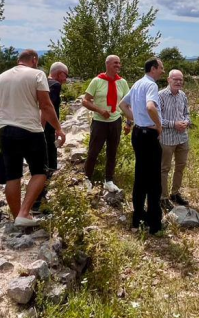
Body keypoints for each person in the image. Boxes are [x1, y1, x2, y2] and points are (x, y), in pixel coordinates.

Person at [0, 50, 66, 227]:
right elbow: (46, 105)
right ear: (34, 60)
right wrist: (58, 129)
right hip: (30, 129)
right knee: (40, 172)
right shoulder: (37, 75)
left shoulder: (0, 78)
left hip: (5, 129)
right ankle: (24, 213)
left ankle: (17, 217)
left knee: (13, 175)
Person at [120, 57, 165, 234]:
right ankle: (154, 224)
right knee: (154, 180)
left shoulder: (138, 84)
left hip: (138, 133)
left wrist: (135, 118)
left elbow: (122, 105)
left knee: (140, 177)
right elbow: (150, 107)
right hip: (148, 135)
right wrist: (158, 125)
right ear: (153, 68)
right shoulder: (151, 85)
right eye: (161, 67)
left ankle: (138, 218)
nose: (162, 71)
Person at [81, 55, 130, 191]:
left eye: (119, 63)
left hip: (116, 121)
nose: (118, 65)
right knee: (93, 152)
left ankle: (109, 181)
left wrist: (129, 122)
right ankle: (87, 179)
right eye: (115, 63)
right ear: (107, 64)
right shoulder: (97, 81)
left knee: (112, 152)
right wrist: (100, 110)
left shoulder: (122, 82)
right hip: (99, 122)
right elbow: (85, 101)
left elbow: (128, 104)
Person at [158, 69, 191, 210]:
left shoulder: (182, 95)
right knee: (164, 168)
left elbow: (186, 113)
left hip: (182, 137)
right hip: (166, 138)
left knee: (180, 166)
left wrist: (186, 122)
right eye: (175, 79)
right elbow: (157, 119)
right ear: (168, 80)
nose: (178, 82)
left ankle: (175, 193)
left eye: (180, 79)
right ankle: (163, 197)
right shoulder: (160, 96)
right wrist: (174, 124)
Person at [44, 61, 69, 180]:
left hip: (35, 126)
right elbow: (48, 107)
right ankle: (44, 188)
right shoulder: (55, 85)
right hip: (48, 127)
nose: (66, 79)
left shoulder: (43, 83)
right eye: (66, 75)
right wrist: (58, 129)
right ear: (60, 73)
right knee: (50, 161)